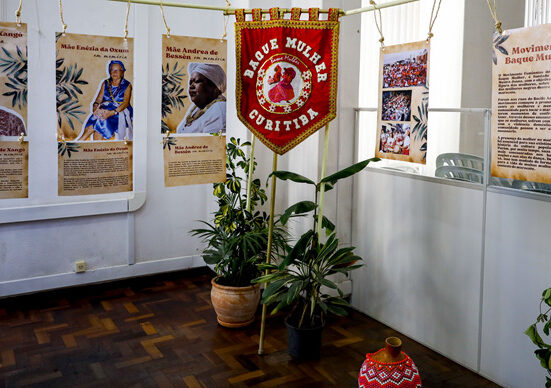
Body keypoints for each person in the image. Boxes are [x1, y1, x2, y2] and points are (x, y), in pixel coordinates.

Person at [77, 60, 133, 141]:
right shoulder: (105, 83)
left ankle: (81, 140)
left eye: (117, 70)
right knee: (97, 118)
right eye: (112, 70)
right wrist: (95, 108)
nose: (114, 73)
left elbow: (125, 104)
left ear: (122, 72)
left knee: (101, 121)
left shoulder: (127, 85)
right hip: (105, 110)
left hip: (119, 112)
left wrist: (111, 113)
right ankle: (88, 143)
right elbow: (98, 100)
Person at [176, 63, 226, 134]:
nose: (191, 87)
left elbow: (210, 142)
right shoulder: (195, 108)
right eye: (190, 83)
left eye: (197, 81)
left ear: (215, 87)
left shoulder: (219, 108)